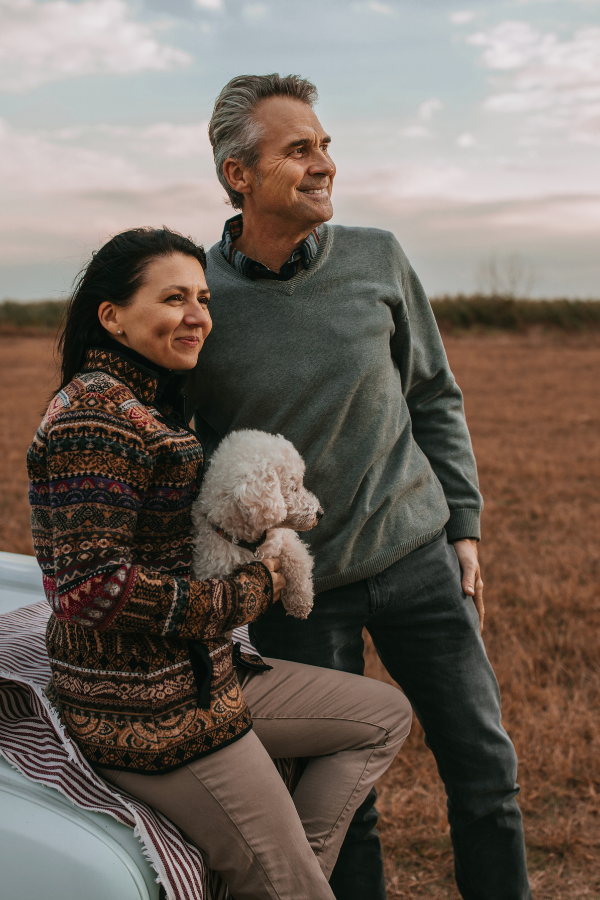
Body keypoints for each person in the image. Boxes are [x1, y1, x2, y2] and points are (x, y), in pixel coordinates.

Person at [186, 74, 532, 900]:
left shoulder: (378, 256)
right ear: (239, 174)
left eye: (325, 146)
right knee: (342, 803)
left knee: (486, 774)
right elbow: (186, 451)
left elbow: (433, 397)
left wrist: (465, 530)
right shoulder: (200, 296)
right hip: (299, 597)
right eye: (298, 149)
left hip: (417, 563)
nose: (323, 164)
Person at [26, 227, 412, 900]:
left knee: (381, 717)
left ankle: (277, 883)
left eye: (202, 297)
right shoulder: (98, 417)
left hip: (202, 677)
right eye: (173, 297)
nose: (197, 314)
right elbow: (90, 589)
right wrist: (249, 590)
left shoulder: (145, 401)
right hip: (150, 715)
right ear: (110, 316)